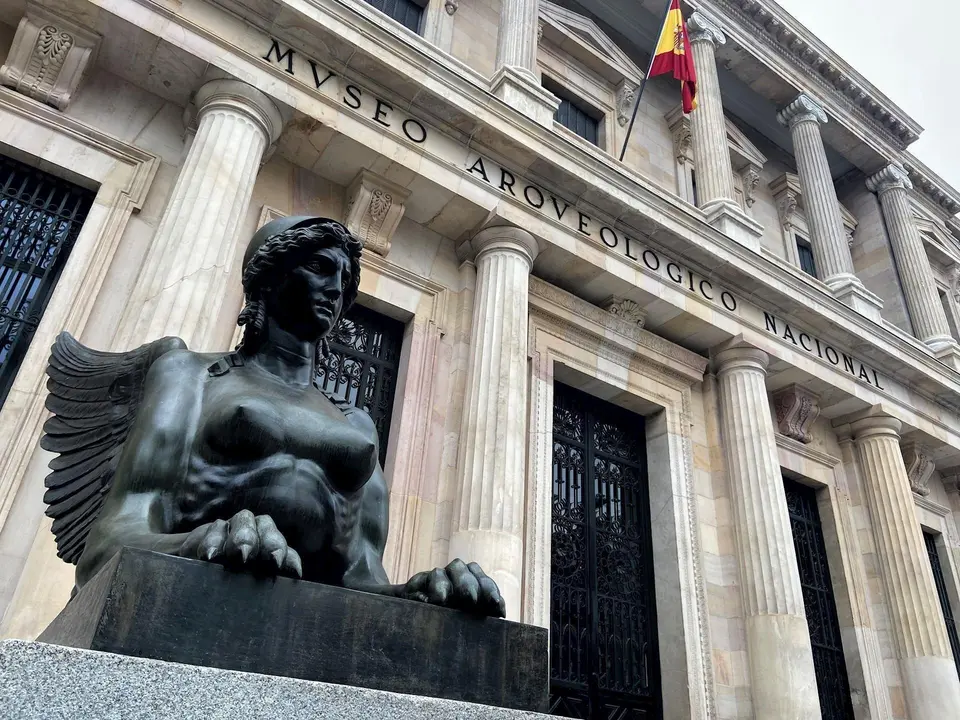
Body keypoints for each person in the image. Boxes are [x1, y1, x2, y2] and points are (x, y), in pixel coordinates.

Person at [42, 216, 505, 617]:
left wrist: (418, 594)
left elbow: (361, 575)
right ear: (269, 276)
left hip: (306, 626)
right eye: (320, 267)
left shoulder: (357, 425)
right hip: (195, 602)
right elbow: (111, 539)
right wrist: (199, 540)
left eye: (344, 278)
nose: (336, 287)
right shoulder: (190, 376)